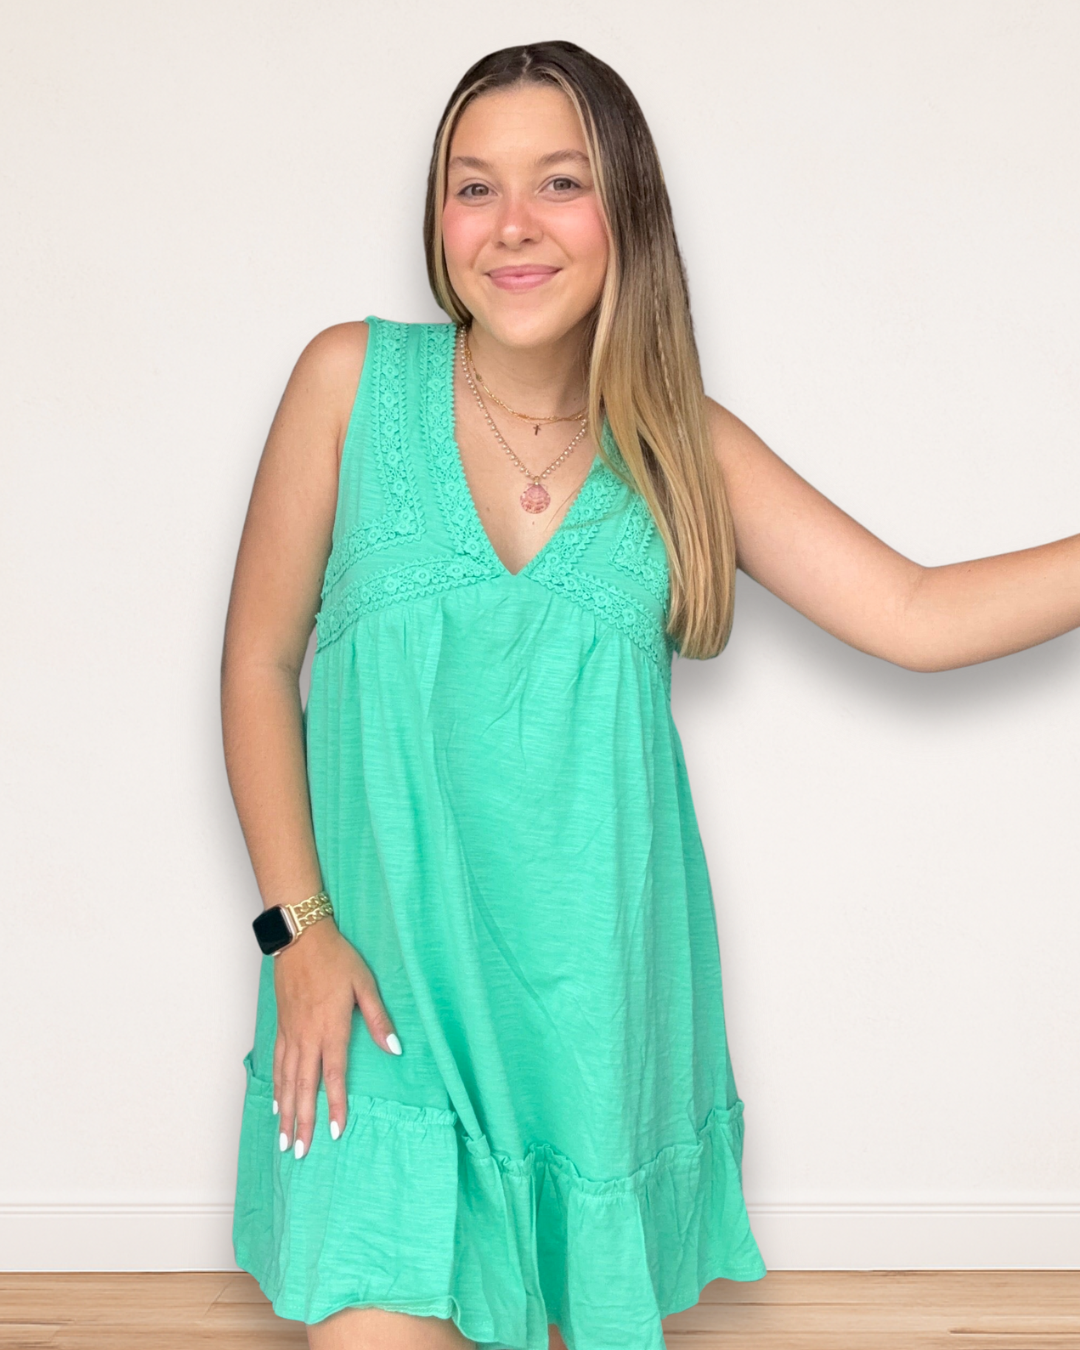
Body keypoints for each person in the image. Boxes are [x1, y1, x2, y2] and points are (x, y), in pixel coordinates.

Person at [220, 39, 1079, 1350]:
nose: (513, 223)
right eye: (474, 186)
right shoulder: (349, 383)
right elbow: (256, 662)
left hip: (588, 1025)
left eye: (560, 182)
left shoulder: (681, 448)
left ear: (626, 207)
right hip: (380, 1011)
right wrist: (299, 932)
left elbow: (916, 613)